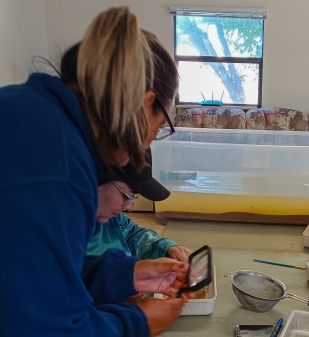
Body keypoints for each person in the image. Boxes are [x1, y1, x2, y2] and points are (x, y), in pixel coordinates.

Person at [0, 6, 191, 337]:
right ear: (145, 105)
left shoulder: (31, 112)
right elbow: (46, 327)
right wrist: (138, 322)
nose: (147, 142)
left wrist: (128, 273)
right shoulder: (58, 164)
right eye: (159, 127)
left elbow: (49, 277)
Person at [88, 148, 192, 263]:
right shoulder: (68, 237)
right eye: (127, 196)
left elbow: (131, 235)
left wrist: (166, 249)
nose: (129, 207)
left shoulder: (111, 219)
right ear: (97, 178)